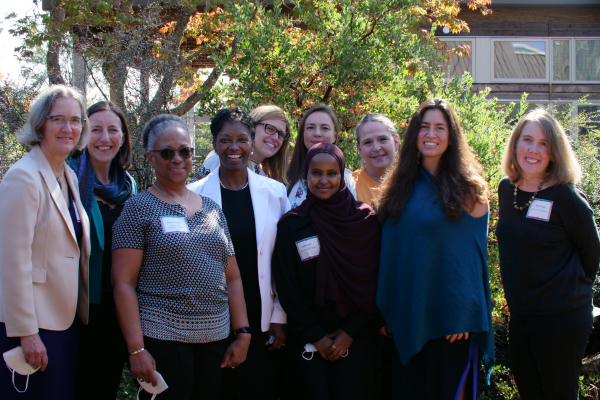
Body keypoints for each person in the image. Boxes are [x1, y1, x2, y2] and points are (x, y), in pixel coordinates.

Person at [111, 114, 250, 400]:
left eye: (184, 151)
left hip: (215, 338)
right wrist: (136, 349)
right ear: (150, 157)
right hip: (163, 334)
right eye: (166, 152)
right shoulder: (137, 209)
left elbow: (233, 277)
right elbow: (123, 283)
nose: (177, 158)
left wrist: (243, 332)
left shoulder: (212, 208)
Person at [376, 98, 495, 399]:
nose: (431, 134)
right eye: (424, 126)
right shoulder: (398, 185)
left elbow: (472, 258)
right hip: (407, 314)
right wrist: (388, 310)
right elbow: (392, 253)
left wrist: (463, 312)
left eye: (440, 127)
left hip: (451, 323)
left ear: (451, 136)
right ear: (414, 134)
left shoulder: (470, 189)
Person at [496, 109, 600, 400]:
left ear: (554, 151)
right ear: (515, 144)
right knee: (530, 392)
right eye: (527, 140)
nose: (533, 149)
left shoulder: (566, 196)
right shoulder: (508, 190)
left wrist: (573, 291)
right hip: (521, 314)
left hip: (561, 316)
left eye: (543, 143)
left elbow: (592, 251)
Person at [188, 107, 290, 400]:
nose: (234, 148)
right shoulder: (193, 194)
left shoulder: (275, 192)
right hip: (211, 319)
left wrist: (280, 315)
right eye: (225, 140)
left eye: (242, 139)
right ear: (215, 143)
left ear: (252, 141)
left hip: (263, 317)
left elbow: (283, 262)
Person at [0, 84, 91, 399]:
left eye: (76, 120)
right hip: (32, 328)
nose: (69, 128)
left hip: (63, 322)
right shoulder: (23, 177)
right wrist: (27, 333)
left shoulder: (65, 174)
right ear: (41, 124)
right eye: (58, 119)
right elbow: (11, 262)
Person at [273, 143, 381, 400]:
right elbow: (287, 285)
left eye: (332, 173)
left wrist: (350, 332)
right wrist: (315, 335)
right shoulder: (292, 224)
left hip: (358, 336)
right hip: (308, 337)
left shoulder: (366, 221)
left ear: (342, 175)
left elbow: (377, 279)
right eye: (316, 173)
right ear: (305, 176)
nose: (323, 180)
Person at [69, 101, 137, 400]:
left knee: (104, 388)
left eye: (113, 130)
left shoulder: (128, 186)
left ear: (123, 137)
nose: (104, 138)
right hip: (74, 309)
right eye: (95, 129)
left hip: (118, 309)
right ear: (83, 134)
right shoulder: (65, 179)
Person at [191, 105, 291, 183]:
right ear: (252, 127)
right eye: (269, 128)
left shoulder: (264, 175)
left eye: (281, 134)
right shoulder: (220, 159)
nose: (275, 137)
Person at [286, 105, 357, 208]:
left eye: (325, 128)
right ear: (302, 134)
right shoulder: (285, 175)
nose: (317, 133)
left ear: (335, 136)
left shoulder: (347, 179)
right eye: (310, 127)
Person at [351, 113, 399, 210]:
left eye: (382, 139)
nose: (376, 148)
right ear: (359, 149)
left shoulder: (413, 181)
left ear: (396, 142)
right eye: (368, 142)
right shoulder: (349, 186)